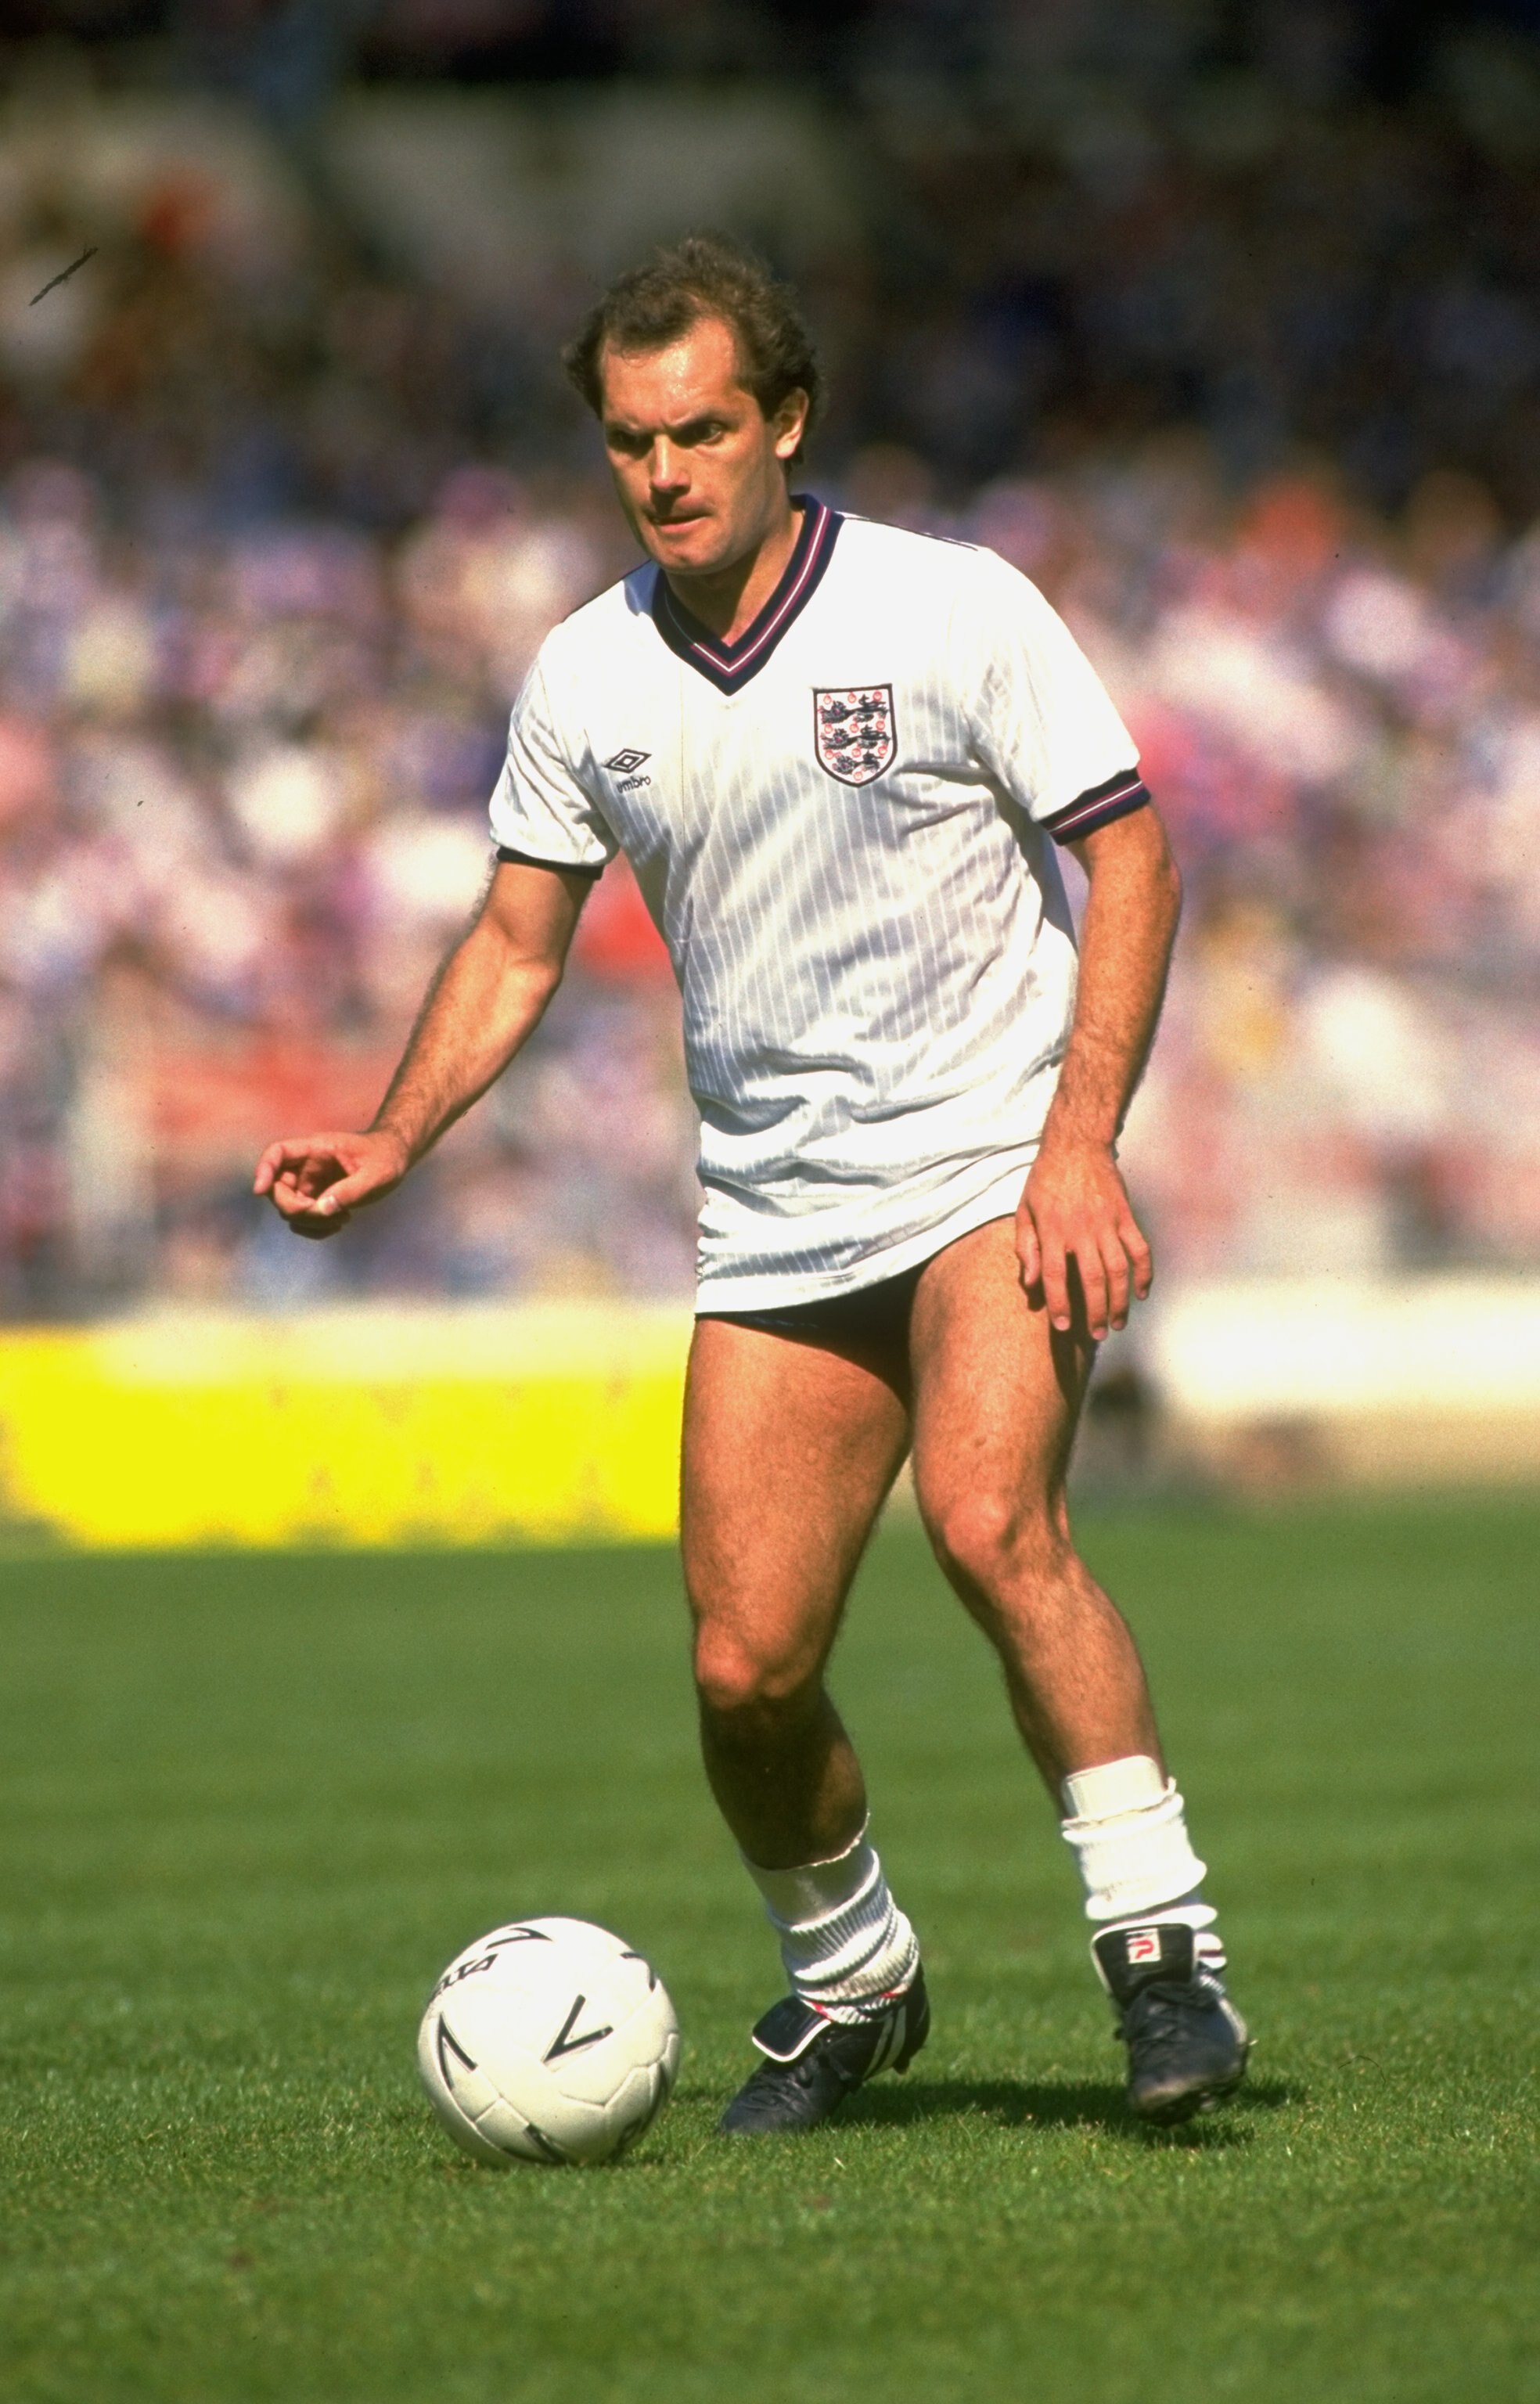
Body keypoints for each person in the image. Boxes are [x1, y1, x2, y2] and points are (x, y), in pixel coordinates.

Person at [254, 235, 1250, 2135]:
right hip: (780, 1221)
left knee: (989, 1523)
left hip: (985, 1167)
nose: (667, 468)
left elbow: (1130, 858)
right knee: (742, 1665)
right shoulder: (584, 672)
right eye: (631, 440)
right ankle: (854, 1975)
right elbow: (516, 942)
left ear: (785, 421)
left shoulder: (951, 608)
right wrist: (393, 1134)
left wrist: (1075, 1145)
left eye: (703, 427)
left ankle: (1161, 1958)